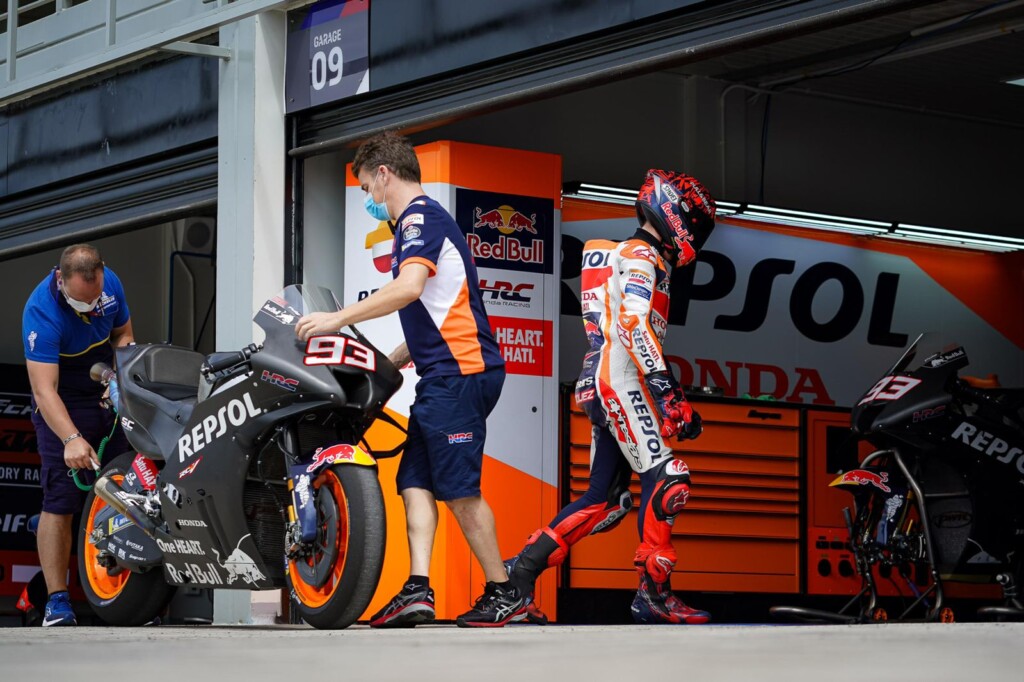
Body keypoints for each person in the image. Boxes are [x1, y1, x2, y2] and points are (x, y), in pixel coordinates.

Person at [295, 131, 524, 628]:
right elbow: (434, 306)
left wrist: (335, 320)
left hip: (461, 373)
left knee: (460, 489)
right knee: (415, 480)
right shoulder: (414, 227)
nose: (368, 200)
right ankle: (418, 589)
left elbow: (410, 288)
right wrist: (394, 356)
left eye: (366, 189)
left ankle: (505, 593)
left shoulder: (420, 218)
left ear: (384, 174)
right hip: (441, 372)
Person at [506, 169, 717, 624]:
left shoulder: (632, 253)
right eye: (695, 221)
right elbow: (632, 325)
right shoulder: (643, 254)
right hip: (619, 381)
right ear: (672, 210)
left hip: (608, 381)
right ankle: (654, 596)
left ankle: (516, 578)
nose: (697, 232)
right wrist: (668, 394)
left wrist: (661, 392)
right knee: (669, 478)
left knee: (605, 499)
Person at [22, 244, 134, 626]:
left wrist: (118, 378)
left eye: (95, 298)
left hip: (102, 382)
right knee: (61, 500)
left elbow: (124, 334)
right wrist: (71, 438)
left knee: (131, 485)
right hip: (62, 395)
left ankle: (131, 595)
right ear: (61, 279)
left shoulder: (110, 283)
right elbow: (43, 391)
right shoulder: (41, 312)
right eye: (82, 302)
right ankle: (56, 601)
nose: (91, 307)